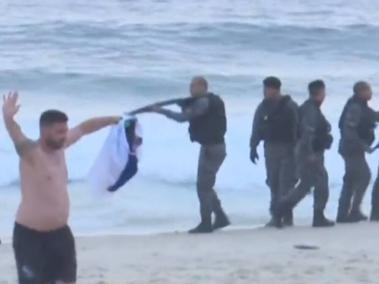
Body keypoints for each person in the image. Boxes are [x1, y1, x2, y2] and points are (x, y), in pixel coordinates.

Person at [2, 91, 121, 284]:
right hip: (30, 238)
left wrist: (113, 120)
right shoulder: (32, 154)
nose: (65, 135)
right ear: (44, 131)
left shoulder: (61, 145)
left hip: (60, 235)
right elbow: (17, 136)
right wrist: (7, 117)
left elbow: (84, 128)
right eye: (59, 132)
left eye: (65, 130)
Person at [149, 76, 230, 234]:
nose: (190, 90)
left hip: (212, 149)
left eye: (193, 86)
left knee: (203, 188)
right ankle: (220, 217)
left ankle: (206, 223)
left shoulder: (204, 102)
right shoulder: (208, 101)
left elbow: (182, 118)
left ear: (203, 87)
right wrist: (184, 103)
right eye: (190, 86)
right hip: (212, 147)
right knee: (205, 186)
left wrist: (161, 111)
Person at [277, 80, 334, 227]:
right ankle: (316, 215)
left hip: (309, 151)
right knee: (320, 183)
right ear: (320, 93)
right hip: (309, 152)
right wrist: (310, 153)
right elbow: (307, 133)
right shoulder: (310, 110)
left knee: (307, 183)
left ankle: (282, 208)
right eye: (323, 92)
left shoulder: (311, 108)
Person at [250, 76, 298, 228]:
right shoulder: (263, 106)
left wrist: (298, 150)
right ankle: (276, 216)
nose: (264, 92)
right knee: (273, 182)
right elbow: (256, 127)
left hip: (288, 148)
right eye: (264, 89)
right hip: (270, 148)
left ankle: (284, 217)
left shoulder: (290, 105)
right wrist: (253, 147)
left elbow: (297, 129)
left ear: (276, 89)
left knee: (285, 184)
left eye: (267, 89)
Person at [337, 81, 379, 223]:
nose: (370, 93)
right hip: (351, 149)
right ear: (360, 92)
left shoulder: (361, 106)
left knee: (351, 179)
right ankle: (353, 210)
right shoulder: (355, 107)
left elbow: (374, 116)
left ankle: (343, 213)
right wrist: (363, 146)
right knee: (364, 176)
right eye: (368, 90)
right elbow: (349, 131)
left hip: (353, 148)